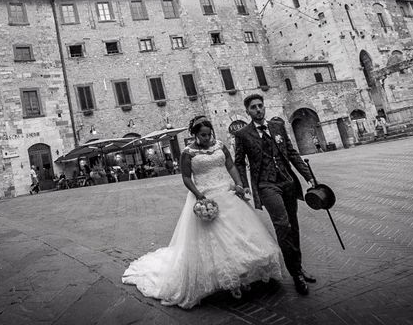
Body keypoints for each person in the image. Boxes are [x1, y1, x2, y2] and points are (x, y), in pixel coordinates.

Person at [122, 115, 282, 309]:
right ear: (195, 135)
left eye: (209, 134)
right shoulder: (188, 153)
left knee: (241, 235)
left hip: (227, 192)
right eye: (203, 135)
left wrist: (239, 183)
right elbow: (186, 177)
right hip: (206, 196)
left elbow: (230, 165)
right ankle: (231, 281)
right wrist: (199, 195)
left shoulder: (220, 146)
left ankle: (245, 276)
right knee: (217, 241)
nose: (207, 138)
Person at [234, 94, 316, 296]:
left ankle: (298, 266)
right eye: (253, 107)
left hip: (287, 182)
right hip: (266, 185)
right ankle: (295, 274)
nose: (258, 109)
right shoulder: (243, 134)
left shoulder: (277, 126)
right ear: (248, 111)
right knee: (283, 225)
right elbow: (238, 162)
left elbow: (292, 152)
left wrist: (309, 177)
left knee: (293, 226)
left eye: (261, 106)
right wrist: (243, 185)